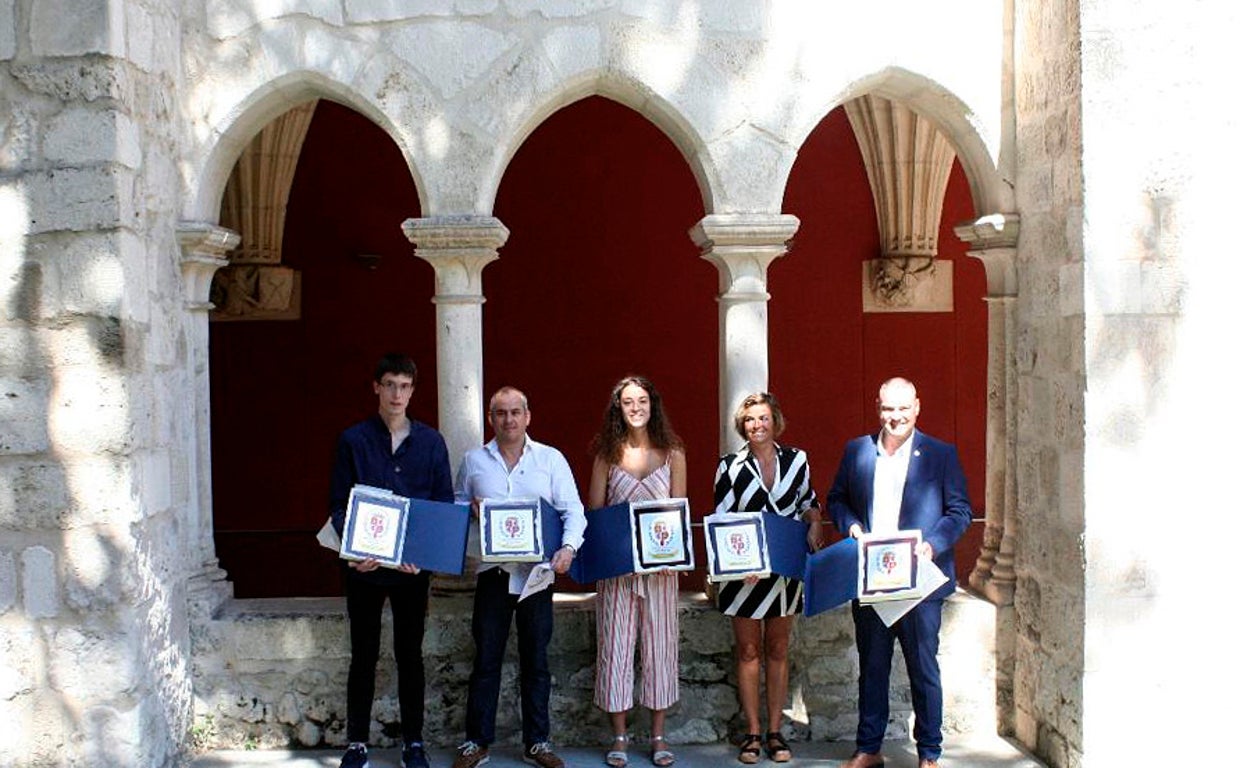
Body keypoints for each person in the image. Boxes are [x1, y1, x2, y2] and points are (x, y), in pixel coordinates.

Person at [828, 377, 972, 768]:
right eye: (889, 409)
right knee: (872, 667)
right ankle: (868, 749)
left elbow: (960, 511)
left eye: (904, 408)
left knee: (923, 669)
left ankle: (929, 754)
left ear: (917, 407)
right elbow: (837, 500)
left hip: (921, 582)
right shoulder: (857, 451)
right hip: (873, 579)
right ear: (878, 408)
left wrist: (932, 545)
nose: (896, 417)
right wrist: (851, 526)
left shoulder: (941, 454)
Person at [329, 353, 453, 768]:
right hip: (364, 570)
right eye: (389, 385)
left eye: (404, 386)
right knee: (363, 655)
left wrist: (423, 555)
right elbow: (340, 505)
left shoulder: (431, 443)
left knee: (410, 655)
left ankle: (413, 743)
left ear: (412, 391)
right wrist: (354, 551)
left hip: (410, 572)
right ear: (376, 388)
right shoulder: (353, 440)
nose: (397, 394)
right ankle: (356, 743)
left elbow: (441, 505)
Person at [451, 386, 586, 768]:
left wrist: (568, 548)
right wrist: (469, 509)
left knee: (536, 660)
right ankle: (476, 743)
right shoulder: (474, 461)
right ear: (491, 418)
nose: (508, 419)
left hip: (536, 576)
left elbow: (573, 510)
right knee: (486, 660)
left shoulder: (550, 460)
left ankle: (537, 743)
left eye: (515, 412)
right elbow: (455, 506)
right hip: (492, 574)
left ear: (528, 416)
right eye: (500, 413)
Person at [713, 392, 824, 765]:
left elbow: (808, 501)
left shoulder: (797, 460)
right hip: (743, 573)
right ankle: (752, 732)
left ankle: (776, 732)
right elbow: (722, 519)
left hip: (784, 569)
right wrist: (736, 563)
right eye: (749, 420)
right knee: (748, 652)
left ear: (775, 421)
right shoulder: (730, 466)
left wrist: (814, 523)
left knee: (777, 648)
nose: (757, 425)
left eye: (763, 418)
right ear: (741, 426)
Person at [588, 376, 687, 768]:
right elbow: (595, 513)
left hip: (660, 570)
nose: (635, 408)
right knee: (615, 649)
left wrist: (671, 552)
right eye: (628, 401)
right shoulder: (606, 455)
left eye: (642, 400)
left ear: (652, 404)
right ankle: (620, 736)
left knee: (660, 648)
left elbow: (680, 511)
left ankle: (659, 736)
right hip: (617, 571)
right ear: (618, 407)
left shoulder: (673, 453)